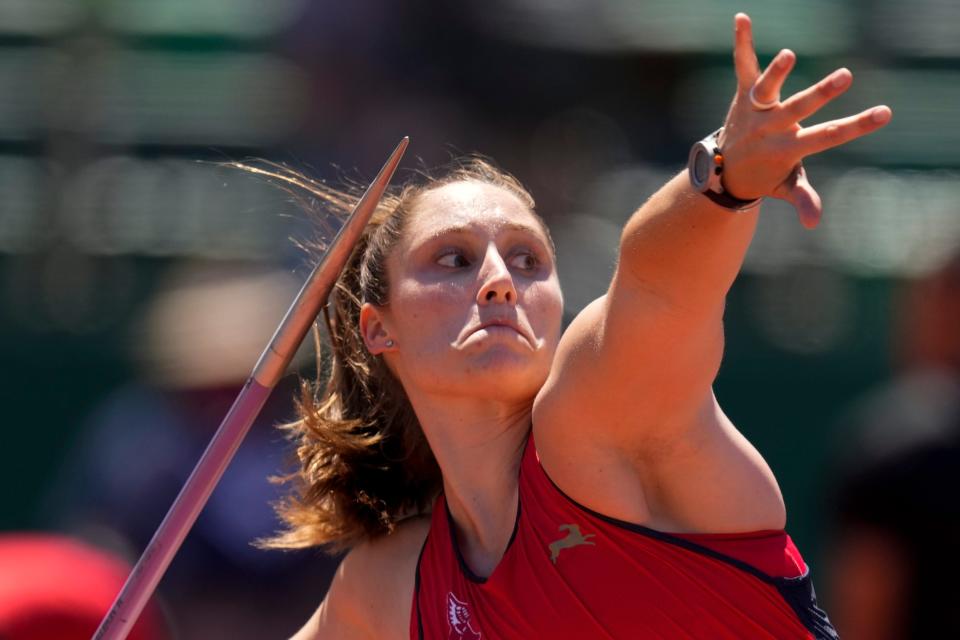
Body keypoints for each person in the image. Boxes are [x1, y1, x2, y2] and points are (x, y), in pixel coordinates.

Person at [263, 13, 890, 639]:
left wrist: (724, 179)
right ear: (379, 328)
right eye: (452, 259)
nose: (499, 280)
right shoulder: (393, 587)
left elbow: (656, 285)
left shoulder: (590, 426)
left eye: (528, 259)